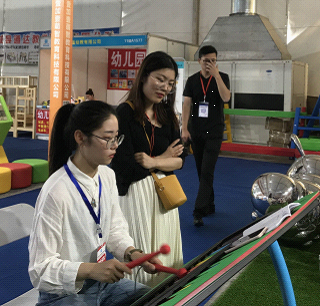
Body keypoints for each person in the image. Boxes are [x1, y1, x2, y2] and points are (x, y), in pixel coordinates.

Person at [28, 100, 161, 306]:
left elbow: (114, 229)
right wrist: (92, 270)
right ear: (80, 137)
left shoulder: (107, 176)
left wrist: (132, 253)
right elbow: (40, 270)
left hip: (101, 285)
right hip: (62, 293)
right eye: (107, 139)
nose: (115, 146)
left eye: (117, 138)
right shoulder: (56, 191)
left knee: (155, 299)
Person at [110, 51, 186, 287]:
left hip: (165, 200)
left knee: (166, 261)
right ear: (143, 76)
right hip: (136, 198)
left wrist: (153, 162)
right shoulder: (124, 113)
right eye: (160, 79)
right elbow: (124, 166)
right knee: (140, 264)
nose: (165, 87)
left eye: (170, 83)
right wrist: (165, 159)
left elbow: (179, 162)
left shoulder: (168, 116)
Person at [182, 45, 231, 227]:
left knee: (207, 170)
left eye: (213, 61)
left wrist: (216, 76)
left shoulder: (222, 77)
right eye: (206, 61)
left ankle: (199, 210)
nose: (209, 64)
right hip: (197, 131)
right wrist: (184, 128)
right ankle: (209, 204)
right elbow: (187, 104)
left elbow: (226, 98)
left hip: (214, 132)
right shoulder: (192, 80)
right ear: (199, 61)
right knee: (201, 170)